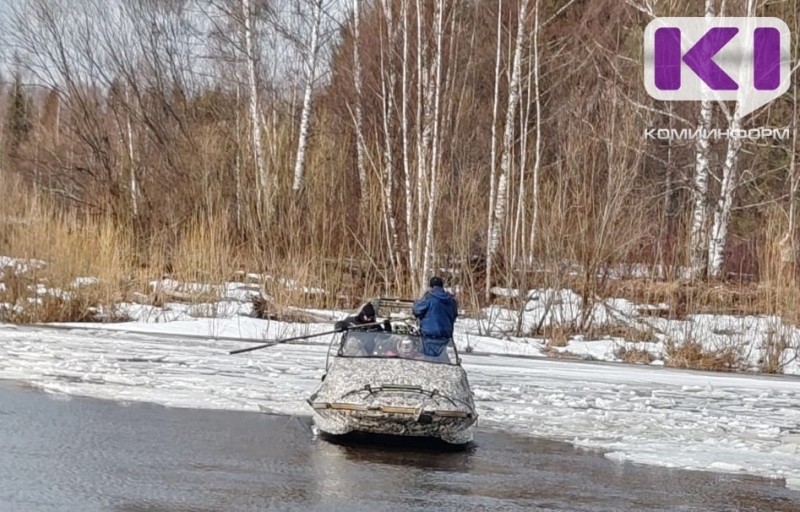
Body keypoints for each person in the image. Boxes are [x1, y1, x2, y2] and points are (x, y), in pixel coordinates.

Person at [412, 276, 458, 358]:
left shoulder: (429, 297)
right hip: (446, 337)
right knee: (442, 360)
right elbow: (454, 315)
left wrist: (416, 302)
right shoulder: (451, 300)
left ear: (431, 286)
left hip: (429, 336)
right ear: (442, 286)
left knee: (427, 359)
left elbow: (417, 310)